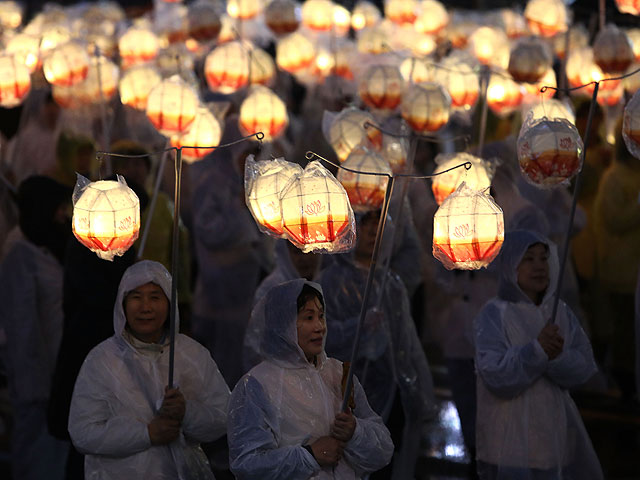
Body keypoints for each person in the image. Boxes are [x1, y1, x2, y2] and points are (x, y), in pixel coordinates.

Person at [68, 260, 230, 479]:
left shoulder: (192, 355)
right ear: (122, 304)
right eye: (136, 297)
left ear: (169, 302)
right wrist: (147, 434)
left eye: (155, 297)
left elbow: (222, 418)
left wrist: (187, 412)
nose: (145, 307)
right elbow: (83, 433)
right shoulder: (102, 360)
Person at [228, 279, 394, 479]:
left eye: (321, 316)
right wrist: (309, 455)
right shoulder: (257, 384)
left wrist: (355, 432)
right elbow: (246, 464)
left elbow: (383, 450)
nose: (319, 327)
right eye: (308, 317)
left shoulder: (339, 373)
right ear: (283, 325)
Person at [474, 230, 603, 479]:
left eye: (543, 258)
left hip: (550, 442)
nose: (539, 267)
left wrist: (555, 357)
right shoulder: (493, 314)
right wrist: (537, 351)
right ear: (510, 264)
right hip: (506, 446)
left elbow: (584, 366)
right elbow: (497, 375)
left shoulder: (559, 313)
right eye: (528, 259)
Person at [0, 176, 71, 480]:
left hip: (55, 374)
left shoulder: (47, 248)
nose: (63, 216)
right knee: (36, 458)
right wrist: (38, 385)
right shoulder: (20, 254)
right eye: (57, 209)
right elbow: (22, 328)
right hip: (37, 383)